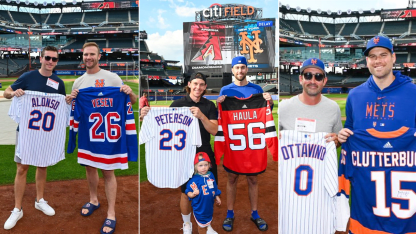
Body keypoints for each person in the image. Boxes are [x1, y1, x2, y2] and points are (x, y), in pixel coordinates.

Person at [65, 42, 137, 234]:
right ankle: (94, 199)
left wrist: (129, 93)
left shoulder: (112, 78)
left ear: (99, 56)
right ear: (83, 57)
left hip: (109, 137)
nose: (88, 57)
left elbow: (133, 101)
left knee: (108, 172)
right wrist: (70, 100)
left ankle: (111, 213)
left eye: (92, 54)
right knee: (90, 168)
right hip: (89, 136)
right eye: (85, 54)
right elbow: (73, 110)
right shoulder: (78, 83)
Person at [140, 72, 218, 234]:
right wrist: (146, 116)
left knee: (208, 192)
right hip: (183, 156)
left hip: (204, 155)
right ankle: (187, 224)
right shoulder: (178, 103)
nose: (198, 87)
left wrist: (202, 116)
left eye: (201, 84)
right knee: (185, 192)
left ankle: (205, 224)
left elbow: (215, 130)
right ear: (189, 84)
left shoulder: (209, 106)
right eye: (195, 83)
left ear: (205, 87)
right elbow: (164, 125)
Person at [3, 46, 65, 230]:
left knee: (42, 165)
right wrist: (14, 93)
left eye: (54, 59)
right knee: (22, 168)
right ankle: (17, 209)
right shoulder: (28, 77)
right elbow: (6, 92)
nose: (50, 62)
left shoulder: (59, 83)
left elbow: (61, 106)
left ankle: (40, 200)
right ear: (41, 58)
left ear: (56, 61)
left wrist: (68, 100)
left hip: (46, 133)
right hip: (26, 132)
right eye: (47, 58)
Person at [216, 56, 273, 232]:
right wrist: (218, 103)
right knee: (231, 178)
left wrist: (269, 100)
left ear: (247, 69)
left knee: (253, 178)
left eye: (243, 67)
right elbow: (221, 118)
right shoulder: (225, 90)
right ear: (232, 70)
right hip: (235, 145)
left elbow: (266, 113)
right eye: (237, 68)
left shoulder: (257, 89)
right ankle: (229, 213)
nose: (240, 71)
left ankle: (255, 213)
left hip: (252, 145)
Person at [338, 36, 416, 143]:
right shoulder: (354, 95)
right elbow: (350, 130)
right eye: (372, 56)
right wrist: (343, 135)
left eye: (383, 55)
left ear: (393, 57)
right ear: (367, 60)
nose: (377, 61)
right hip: (365, 159)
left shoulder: (413, 93)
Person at [279, 57, 342, 145]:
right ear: (301, 79)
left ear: (324, 81)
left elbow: (338, 139)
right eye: (308, 75)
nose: (313, 81)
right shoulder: (283, 107)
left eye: (318, 77)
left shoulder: (333, 108)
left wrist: (337, 141)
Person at [185, 152, 221, 234]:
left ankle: (208, 228)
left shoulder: (211, 175)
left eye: (206, 165)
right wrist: (193, 194)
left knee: (208, 218)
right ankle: (204, 230)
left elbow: (214, 187)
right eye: (200, 165)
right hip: (199, 207)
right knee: (201, 226)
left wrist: (217, 196)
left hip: (208, 205)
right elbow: (188, 191)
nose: (203, 167)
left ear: (209, 165)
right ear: (195, 167)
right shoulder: (194, 180)